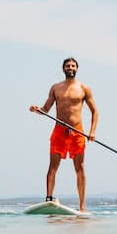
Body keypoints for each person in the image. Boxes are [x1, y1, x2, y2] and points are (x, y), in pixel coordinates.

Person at [30, 57, 97, 212]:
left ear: (77, 68)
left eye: (73, 66)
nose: (70, 68)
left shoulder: (84, 88)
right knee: (52, 167)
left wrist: (92, 131)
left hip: (77, 132)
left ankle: (82, 206)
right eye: (68, 66)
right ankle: (49, 199)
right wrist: (36, 110)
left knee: (80, 168)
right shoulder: (55, 88)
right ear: (63, 69)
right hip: (59, 132)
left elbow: (95, 112)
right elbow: (45, 110)